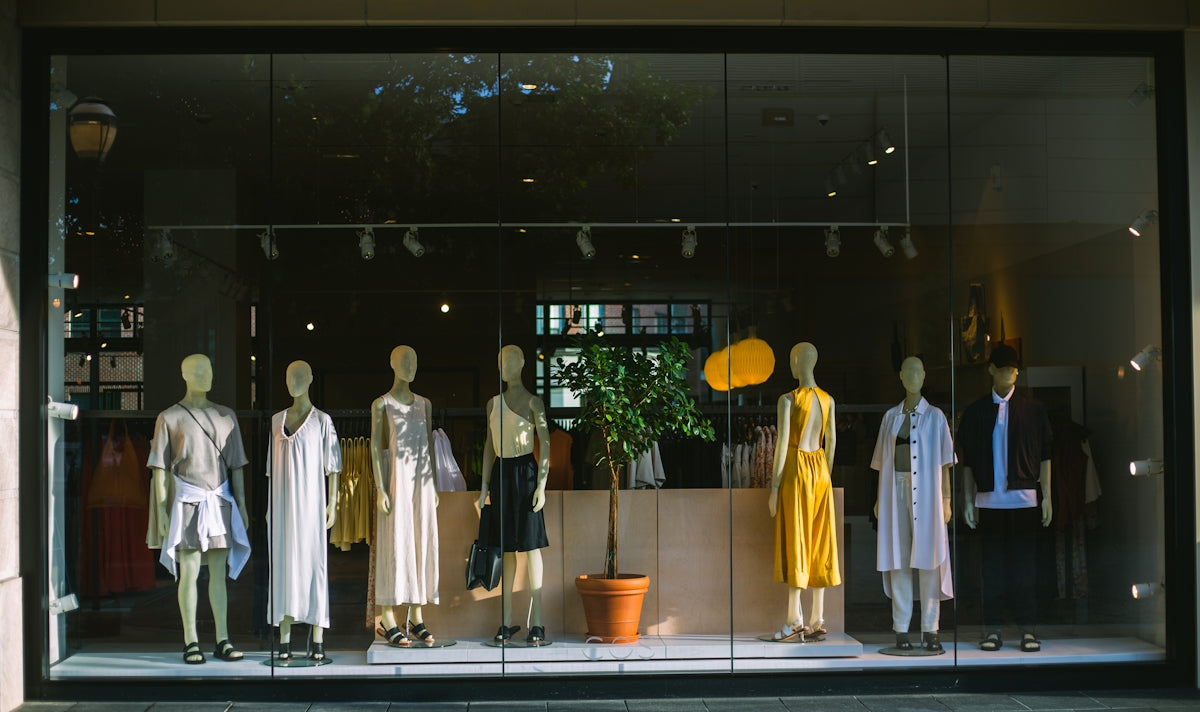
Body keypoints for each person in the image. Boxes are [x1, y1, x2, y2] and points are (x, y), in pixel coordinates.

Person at [147, 353, 250, 665]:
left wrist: (243, 505)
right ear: (185, 374)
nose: (206, 375)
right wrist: (163, 511)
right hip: (188, 502)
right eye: (198, 370)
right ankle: (190, 640)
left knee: (218, 574)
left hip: (219, 502)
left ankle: (222, 638)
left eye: (209, 369)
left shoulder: (225, 416)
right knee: (189, 572)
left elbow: (237, 466)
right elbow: (160, 470)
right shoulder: (169, 418)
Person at [957, 343, 1053, 653]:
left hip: (1024, 498)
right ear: (991, 370)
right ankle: (993, 628)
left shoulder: (1034, 409)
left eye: (1013, 369)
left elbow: (1046, 456)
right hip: (989, 500)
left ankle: (1028, 628)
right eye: (1002, 368)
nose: (1008, 373)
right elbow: (967, 460)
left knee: (1026, 567)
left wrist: (1046, 496)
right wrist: (968, 499)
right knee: (992, 568)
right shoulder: (975, 412)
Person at [870, 357, 955, 652]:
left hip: (928, 494)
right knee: (899, 559)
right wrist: (880, 499)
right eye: (908, 372)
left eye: (918, 371)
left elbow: (945, 462)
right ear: (901, 378)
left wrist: (946, 499)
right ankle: (901, 628)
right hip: (896, 491)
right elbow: (882, 463)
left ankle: (931, 629)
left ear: (924, 376)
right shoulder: (891, 417)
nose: (913, 376)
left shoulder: (936, 417)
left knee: (929, 559)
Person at [266, 360, 341, 662]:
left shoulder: (322, 421)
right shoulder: (275, 421)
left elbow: (333, 465)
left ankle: (318, 635)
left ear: (310, 379)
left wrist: (332, 502)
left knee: (313, 565)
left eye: (299, 376)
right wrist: (270, 508)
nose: (293, 381)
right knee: (284, 566)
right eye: (288, 376)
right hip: (282, 507)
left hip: (311, 506)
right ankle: (284, 636)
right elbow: (271, 471)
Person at [768, 342, 841, 642]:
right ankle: (817, 618)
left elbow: (782, 444)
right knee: (820, 542)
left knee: (797, 540)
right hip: (820, 469)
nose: (790, 365)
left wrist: (774, 486)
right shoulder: (828, 400)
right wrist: (825, 474)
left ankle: (793, 619)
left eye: (791, 359)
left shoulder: (788, 400)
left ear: (798, 361)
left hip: (797, 470)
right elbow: (832, 442)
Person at [479, 345, 551, 644]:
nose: (504, 365)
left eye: (509, 360)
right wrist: (483, 486)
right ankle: (506, 621)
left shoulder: (535, 402)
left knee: (531, 547)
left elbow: (545, 443)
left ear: (522, 363)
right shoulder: (492, 403)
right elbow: (487, 446)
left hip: (527, 472)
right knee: (505, 549)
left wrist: (542, 485)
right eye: (500, 361)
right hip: (501, 473)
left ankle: (537, 622)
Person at [372, 345, 440, 647]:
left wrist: (435, 484)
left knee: (421, 541)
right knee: (395, 543)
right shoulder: (382, 404)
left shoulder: (424, 404)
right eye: (403, 360)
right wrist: (380, 488)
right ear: (391, 363)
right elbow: (376, 447)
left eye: (414, 359)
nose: (410, 365)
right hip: (396, 482)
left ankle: (416, 613)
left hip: (422, 484)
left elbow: (428, 445)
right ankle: (387, 615)